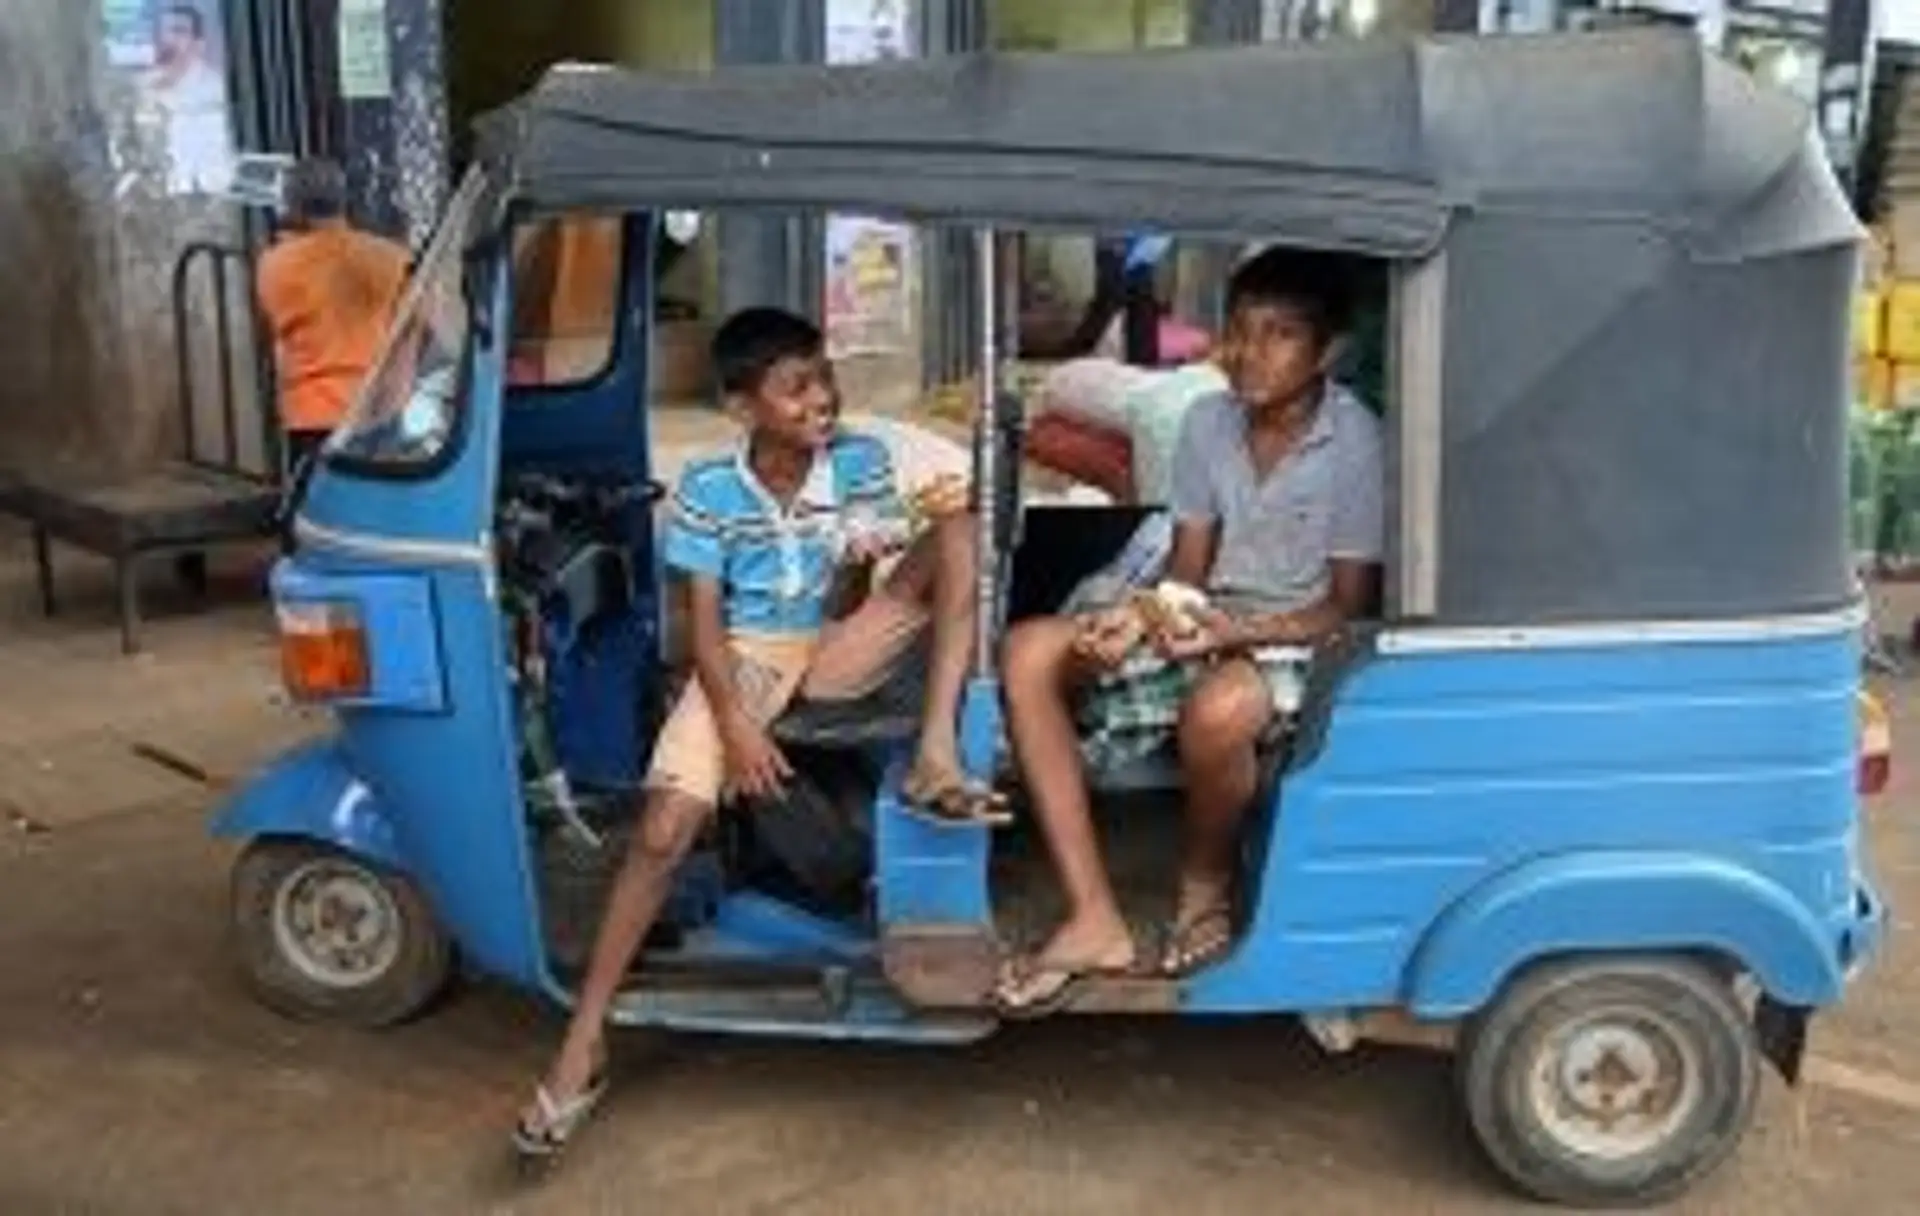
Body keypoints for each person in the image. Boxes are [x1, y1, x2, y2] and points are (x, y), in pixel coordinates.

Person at [514, 307, 997, 1157]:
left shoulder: (861, 461)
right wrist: (737, 729)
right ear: (744, 407)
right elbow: (700, 626)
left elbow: (856, 586)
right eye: (797, 386)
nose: (822, 398)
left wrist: (870, 551)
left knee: (958, 527)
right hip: (745, 658)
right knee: (663, 831)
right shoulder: (708, 487)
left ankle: (934, 753)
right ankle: (582, 1039)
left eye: (824, 377)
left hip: (835, 645)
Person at [993, 247, 1385, 1014]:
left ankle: (1205, 884)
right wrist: (1140, 615)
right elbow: (1187, 569)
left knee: (1219, 711)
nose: (1248, 353)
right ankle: (1093, 915)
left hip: (1301, 638)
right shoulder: (1208, 419)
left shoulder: (1356, 441)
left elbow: (1345, 609)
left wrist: (1230, 635)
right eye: (1239, 331)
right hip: (1211, 618)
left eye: (1278, 334)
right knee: (1032, 650)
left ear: (1327, 350)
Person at [255, 158, 411, 477]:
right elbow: (420, 327)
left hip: (311, 412)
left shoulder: (275, 265)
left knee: (320, 503)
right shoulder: (391, 257)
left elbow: (274, 324)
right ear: (344, 201)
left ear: (293, 206)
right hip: (378, 407)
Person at [146, 4, 234, 195]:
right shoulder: (145, 92)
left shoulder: (217, 94)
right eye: (163, 32)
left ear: (198, 44)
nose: (168, 40)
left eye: (178, 31)